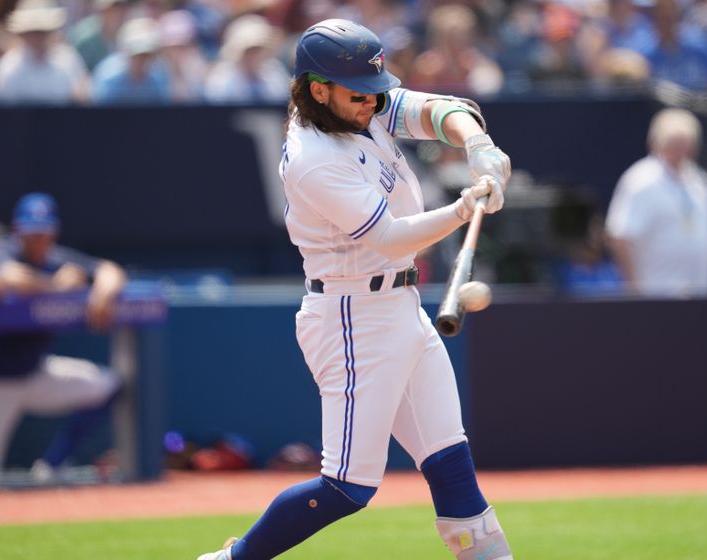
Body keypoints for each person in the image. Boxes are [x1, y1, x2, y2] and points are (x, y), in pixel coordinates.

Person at [198, 18, 513, 560]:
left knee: (450, 463)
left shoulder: (354, 101)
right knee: (347, 487)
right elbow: (389, 238)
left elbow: (439, 111)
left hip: (401, 307)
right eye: (358, 94)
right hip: (352, 315)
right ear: (318, 89)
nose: (373, 102)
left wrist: (478, 144)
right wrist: (463, 208)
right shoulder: (313, 155)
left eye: (375, 91)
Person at [0, 193, 127, 481]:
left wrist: (104, 289)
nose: (39, 240)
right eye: (32, 233)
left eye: (44, 233)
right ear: (18, 230)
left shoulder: (57, 258)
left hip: (35, 372)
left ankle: (52, 465)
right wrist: (55, 286)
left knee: (108, 385)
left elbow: (108, 269)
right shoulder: (5, 250)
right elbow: (7, 277)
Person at [606, 108, 707, 296]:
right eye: (673, 144)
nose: (680, 152)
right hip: (655, 296)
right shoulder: (640, 180)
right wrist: (635, 289)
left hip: (700, 295)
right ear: (656, 144)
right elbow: (619, 237)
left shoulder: (701, 181)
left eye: (685, 145)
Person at [0, 0, 90, 104]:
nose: (36, 38)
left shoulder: (68, 61)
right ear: (23, 34)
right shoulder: (8, 67)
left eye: (41, 32)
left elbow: (82, 100)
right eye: (31, 32)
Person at [91, 16, 170, 104]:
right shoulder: (108, 78)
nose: (141, 60)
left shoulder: (158, 79)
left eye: (146, 55)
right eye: (137, 55)